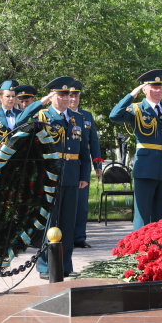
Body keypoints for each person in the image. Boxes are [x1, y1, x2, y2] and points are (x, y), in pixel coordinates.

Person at [17, 76, 90, 278]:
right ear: (53, 96)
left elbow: (84, 149)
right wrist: (41, 102)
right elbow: (20, 120)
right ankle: (45, 265)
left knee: (68, 222)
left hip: (72, 176)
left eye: (68, 94)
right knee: (48, 222)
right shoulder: (42, 115)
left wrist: (84, 174)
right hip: (48, 176)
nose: (66, 98)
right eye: (61, 94)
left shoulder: (77, 118)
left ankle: (65, 265)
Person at [109, 69, 162, 230]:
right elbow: (114, 115)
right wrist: (131, 95)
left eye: (160, 87)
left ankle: (160, 250)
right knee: (142, 214)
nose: (158, 90)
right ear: (145, 89)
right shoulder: (137, 109)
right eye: (153, 87)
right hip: (146, 167)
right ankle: (140, 252)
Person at [69, 80, 102, 248]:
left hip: (83, 164)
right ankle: (65, 236)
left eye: (76, 96)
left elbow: (93, 142)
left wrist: (98, 165)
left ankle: (79, 237)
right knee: (67, 204)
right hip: (67, 163)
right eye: (70, 96)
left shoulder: (86, 116)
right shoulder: (64, 115)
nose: (73, 99)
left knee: (82, 204)